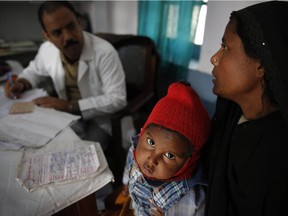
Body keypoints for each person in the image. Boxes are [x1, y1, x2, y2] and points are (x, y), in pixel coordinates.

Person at [4, 1, 127, 150]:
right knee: (45, 146)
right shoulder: (47, 50)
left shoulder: (105, 52)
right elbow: (34, 72)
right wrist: (21, 83)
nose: (68, 37)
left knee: (84, 153)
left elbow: (117, 99)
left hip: (100, 118)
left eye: (71, 26)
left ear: (79, 23)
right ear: (47, 36)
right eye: (57, 32)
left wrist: (70, 106)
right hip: (67, 115)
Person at [204, 1, 288, 215]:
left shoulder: (277, 157)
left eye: (226, 48)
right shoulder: (231, 117)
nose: (214, 58)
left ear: (260, 65)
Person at [116, 81, 210, 215]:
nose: (152, 159)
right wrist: (126, 183)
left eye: (169, 156)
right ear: (142, 133)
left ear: (188, 163)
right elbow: (129, 167)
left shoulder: (192, 197)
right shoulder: (135, 151)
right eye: (150, 142)